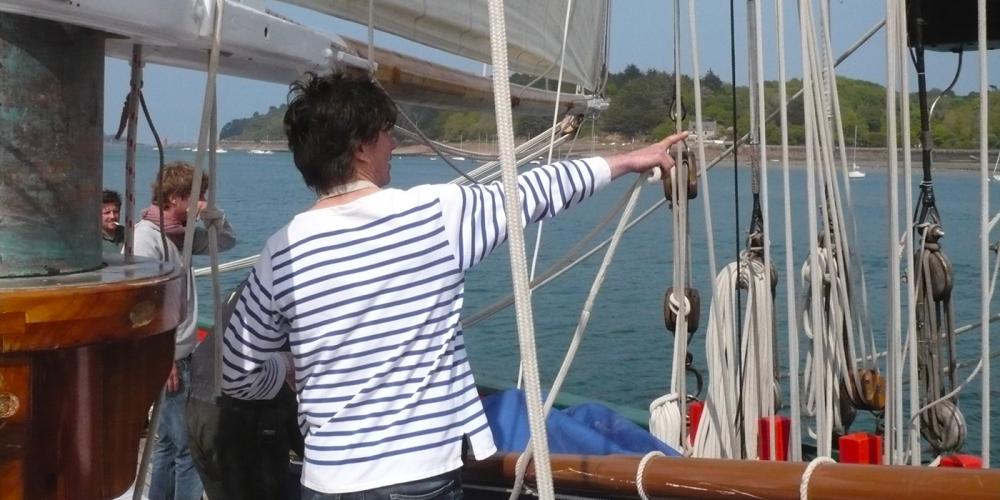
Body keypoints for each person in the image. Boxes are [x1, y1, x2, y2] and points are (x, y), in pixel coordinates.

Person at [219, 71, 687, 499]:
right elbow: (537, 191)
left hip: (326, 482)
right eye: (386, 135)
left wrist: (285, 369)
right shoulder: (435, 215)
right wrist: (627, 161)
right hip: (417, 479)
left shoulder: (280, 254)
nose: (393, 146)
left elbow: (237, 374)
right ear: (361, 146)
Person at [134, 161, 236, 500]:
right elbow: (144, 306)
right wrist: (166, 358)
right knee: (189, 448)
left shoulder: (182, 235)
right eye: (198, 195)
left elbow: (227, 242)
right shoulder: (146, 239)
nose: (202, 200)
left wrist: (213, 215)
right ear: (177, 197)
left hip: (182, 353)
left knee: (167, 443)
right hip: (170, 357)